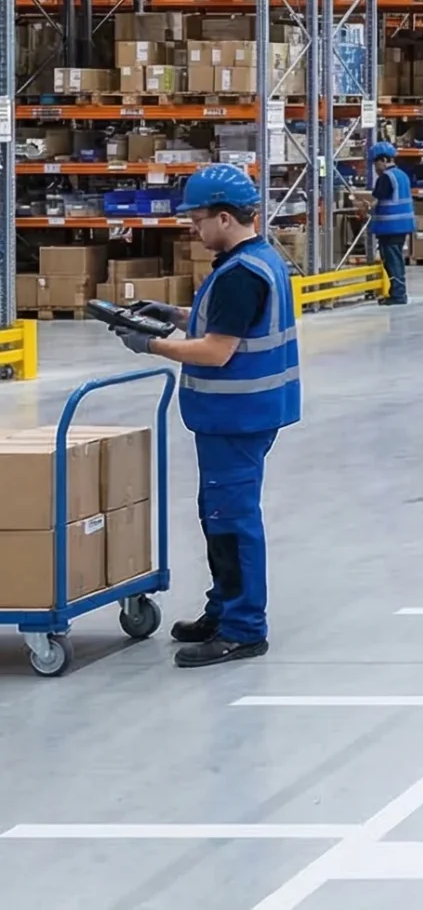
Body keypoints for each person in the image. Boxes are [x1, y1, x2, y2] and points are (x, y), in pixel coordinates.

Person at [114, 164, 299, 668]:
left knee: (232, 520)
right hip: (240, 414)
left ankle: (243, 628)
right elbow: (226, 324)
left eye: (197, 220)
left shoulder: (241, 274)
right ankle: (222, 609)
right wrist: (172, 316)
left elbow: (218, 351)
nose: (194, 230)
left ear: (224, 217)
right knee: (215, 515)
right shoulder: (256, 259)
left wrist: (151, 344)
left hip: (236, 415)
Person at [365, 141, 413, 305]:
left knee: (392, 261)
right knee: (396, 259)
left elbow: (376, 200)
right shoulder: (402, 175)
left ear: (384, 160)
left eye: (376, 163)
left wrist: (362, 205)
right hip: (401, 225)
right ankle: (398, 292)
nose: (376, 168)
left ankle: (398, 294)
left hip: (390, 227)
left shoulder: (386, 178)